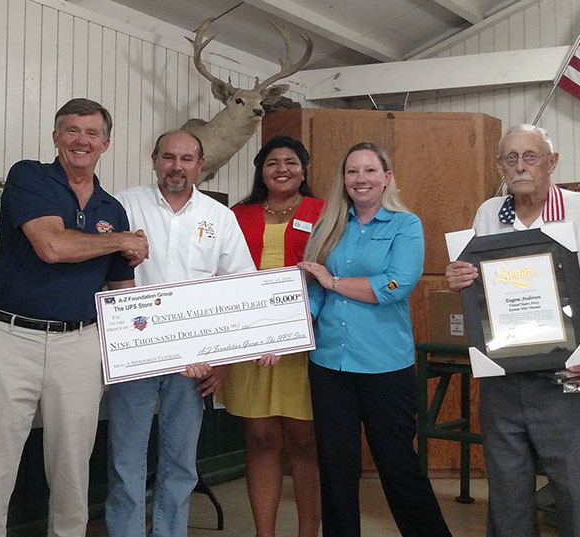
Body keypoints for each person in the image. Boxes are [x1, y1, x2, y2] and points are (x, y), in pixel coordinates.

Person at [0, 98, 149, 537]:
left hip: (81, 343)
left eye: (91, 133)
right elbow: (52, 246)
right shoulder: (29, 176)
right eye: (72, 130)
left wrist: (156, 347)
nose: (81, 140)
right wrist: (122, 240)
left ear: (105, 144)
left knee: (72, 467)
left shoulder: (111, 209)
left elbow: (121, 291)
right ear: (56, 138)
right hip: (12, 337)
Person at [445, 124, 580, 537]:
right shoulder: (488, 213)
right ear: (500, 166)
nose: (520, 166)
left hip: (570, 372)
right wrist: (460, 278)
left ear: (552, 162)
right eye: (511, 158)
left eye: (530, 156)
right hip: (503, 376)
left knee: (579, 493)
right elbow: (482, 292)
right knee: (507, 497)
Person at [105, 130, 257, 537]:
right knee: (125, 460)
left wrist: (223, 360)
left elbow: (239, 287)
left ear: (199, 165)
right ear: (154, 159)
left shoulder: (219, 217)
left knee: (181, 463)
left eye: (186, 159)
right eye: (169, 157)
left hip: (194, 361)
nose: (177, 166)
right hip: (134, 352)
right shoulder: (123, 206)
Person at [298, 141, 451, 537]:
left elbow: (395, 286)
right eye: (352, 171)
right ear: (343, 179)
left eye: (369, 170)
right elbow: (315, 290)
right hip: (329, 364)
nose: (360, 178)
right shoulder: (328, 225)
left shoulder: (406, 225)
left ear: (386, 178)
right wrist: (292, 328)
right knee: (336, 469)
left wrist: (333, 282)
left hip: (386, 367)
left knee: (398, 466)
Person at [217, 135, 325, 537]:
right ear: (261, 171)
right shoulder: (237, 214)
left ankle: (307, 533)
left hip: (305, 337)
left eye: (291, 162)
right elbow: (221, 270)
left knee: (303, 438)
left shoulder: (324, 211)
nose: (282, 169)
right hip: (250, 339)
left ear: (304, 169)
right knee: (260, 436)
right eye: (272, 162)